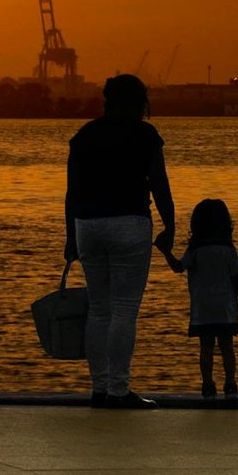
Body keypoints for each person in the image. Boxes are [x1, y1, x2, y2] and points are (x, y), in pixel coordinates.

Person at [64, 73, 175, 408]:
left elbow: (72, 193)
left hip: (88, 226)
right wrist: (170, 226)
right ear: (140, 101)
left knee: (99, 309)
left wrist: (71, 237)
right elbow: (159, 184)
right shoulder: (144, 135)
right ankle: (119, 390)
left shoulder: (84, 136)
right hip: (129, 222)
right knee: (125, 309)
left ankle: (99, 389)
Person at [159, 198, 238, 401]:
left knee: (205, 347)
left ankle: (207, 384)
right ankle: (230, 383)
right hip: (225, 307)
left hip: (202, 307)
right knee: (227, 346)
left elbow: (178, 267)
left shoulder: (196, 250)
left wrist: (165, 252)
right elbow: (237, 277)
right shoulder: (228, 250)